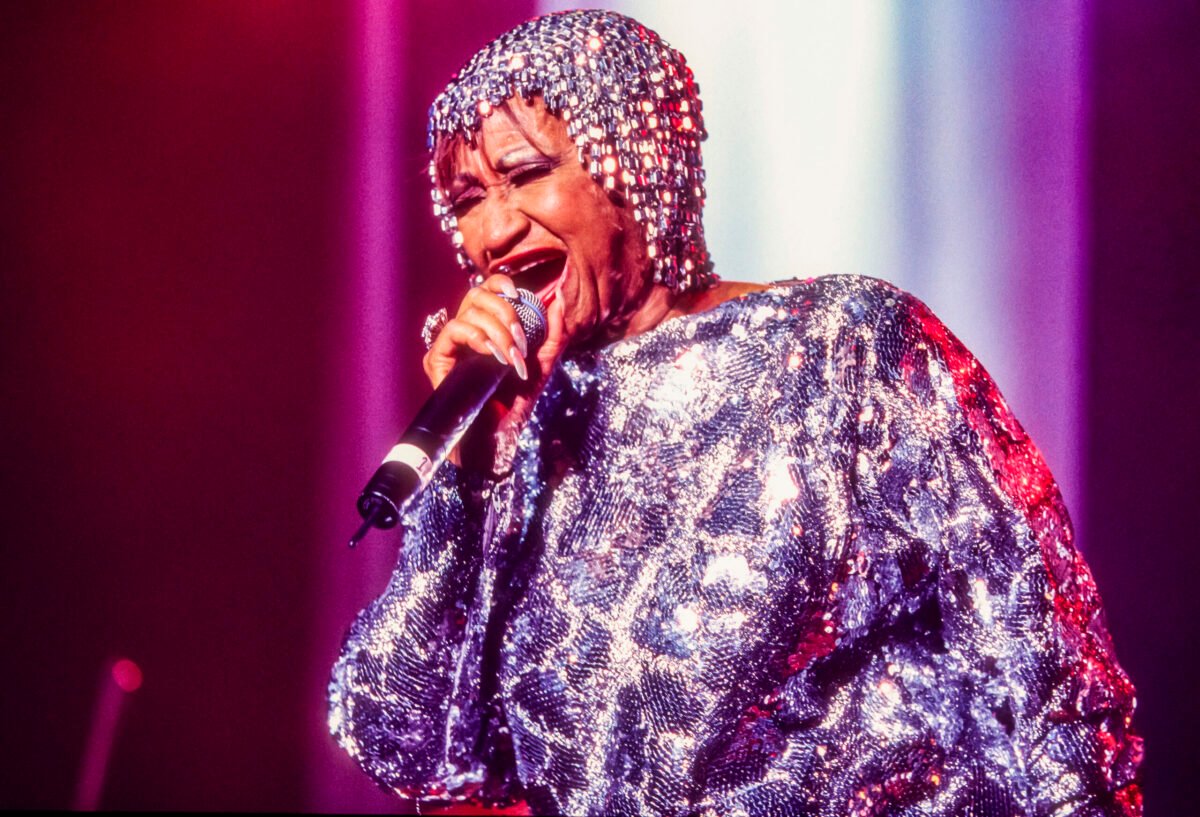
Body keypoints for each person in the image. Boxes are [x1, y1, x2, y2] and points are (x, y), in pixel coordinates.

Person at [328, 10, 1141, 816]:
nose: (496, 228)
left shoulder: (843, 345)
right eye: (468, 197)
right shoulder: (516, 435)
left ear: (637, 158)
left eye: (526, 173)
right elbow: (405, 747)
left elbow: (1050, 685)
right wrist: (466, 480)